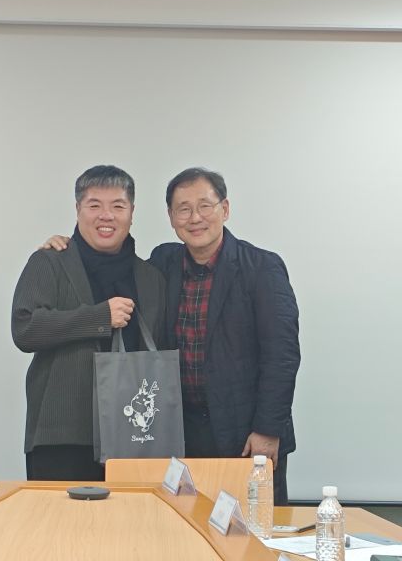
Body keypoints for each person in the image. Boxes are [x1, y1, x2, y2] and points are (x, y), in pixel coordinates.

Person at [43, 167, 300, 503]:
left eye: (204, 206)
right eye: (183, 209)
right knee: (182, 523)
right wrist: (68, 249)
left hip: (244, 433)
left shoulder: (261, 268)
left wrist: (267, 429)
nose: (195, 218)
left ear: (225, 209)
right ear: (170, 217)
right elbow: (112, 270)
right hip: (178, 431)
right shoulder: (163, 263)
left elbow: (282, 356)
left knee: (249, 526)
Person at [12, 165, 166, 481]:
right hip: (63, 436)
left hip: (136, 434)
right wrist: (99, 318)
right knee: (59, 515)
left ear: (132, 213)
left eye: (118, 206)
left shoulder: (150, 276)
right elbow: (25, 328)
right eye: (94, 205)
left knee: (133, 515)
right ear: (78, 209)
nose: (106, 216)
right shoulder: (50, 261)